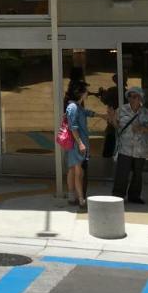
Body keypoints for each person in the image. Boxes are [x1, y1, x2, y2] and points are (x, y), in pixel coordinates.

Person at [110, 87, 148, 204]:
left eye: (134, 96)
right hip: (125, 147)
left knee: (137, 173)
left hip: (140, 149)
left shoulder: (146, 112)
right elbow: (116, 126)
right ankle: (118, 195)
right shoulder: (121, 110)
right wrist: (112, 118)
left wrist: (142, 128)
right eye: (130, 96)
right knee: (122, 172)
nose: (132, 99)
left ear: (140, 98)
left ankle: (134, 196)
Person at [64, 80, 91, 210]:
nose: (88, 93)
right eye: (86, 91)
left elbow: (86, 112)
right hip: (76, 143)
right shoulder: (73, 107)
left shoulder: (77, 106)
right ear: (80, 93)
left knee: (73, 170)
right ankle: (81, 199)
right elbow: (73, 127)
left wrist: (101, 115)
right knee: (78, 172)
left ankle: (72, 196)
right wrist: (80, 143)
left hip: (76, 143)